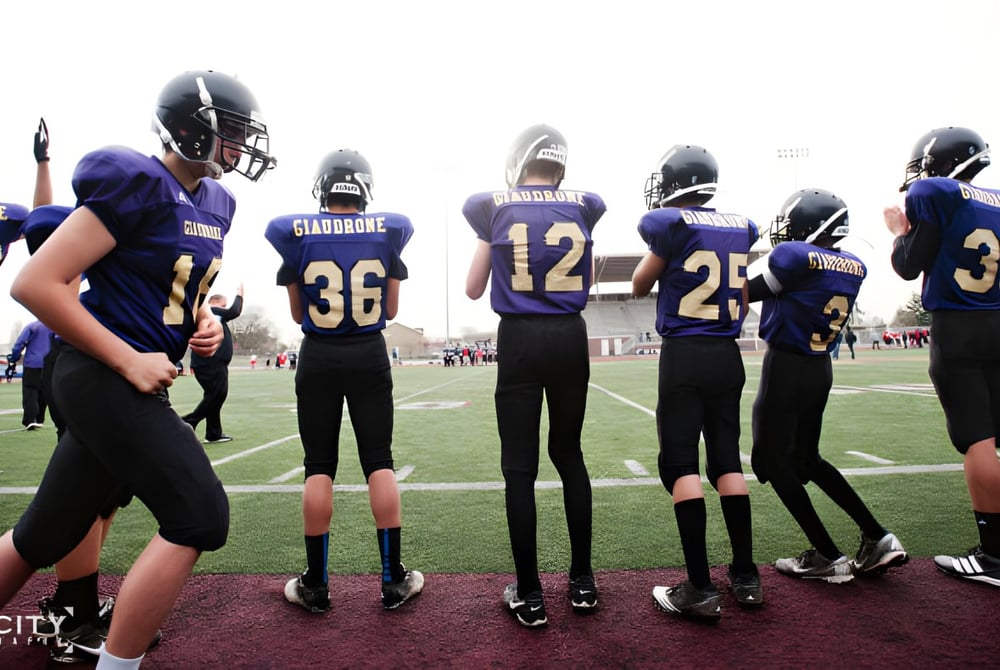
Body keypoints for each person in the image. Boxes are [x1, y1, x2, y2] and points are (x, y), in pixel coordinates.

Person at [0, 70, 275, 669]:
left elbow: (173, 284)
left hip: (126, 374)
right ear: (190, 128)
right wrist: (127, 357)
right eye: (231, 131)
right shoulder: (136, 181)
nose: (241, 146)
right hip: (99, 372)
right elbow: (35, 283)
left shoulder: (217, 202)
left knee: (42, 536)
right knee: (200, 513)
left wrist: (202, 320)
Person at [265, 148, 423, 614]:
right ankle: (393, 581)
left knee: (318, 466)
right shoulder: (388, 231)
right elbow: (391, 311)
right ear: (363, 191)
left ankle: (316, 584)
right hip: (369, 355)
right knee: (379, 462)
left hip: (318, 356)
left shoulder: (295, 234)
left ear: (324, 189)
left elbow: (298, 315)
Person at [465, 124, 604, 628]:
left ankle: (529, 593)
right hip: (570, 336)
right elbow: (585, 279)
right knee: (570, 454)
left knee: (519, 469)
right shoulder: (584, 204)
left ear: (518, 160)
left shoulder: (493, 204)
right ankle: (583, 582)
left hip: (520, 339)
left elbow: (473, 289)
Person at [751, 188, 908, 585]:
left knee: (770, 461)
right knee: (807, 460)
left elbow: (742, 291)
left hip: (786, 367)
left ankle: (825, 553)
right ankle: (877, 535)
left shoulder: (794, 257)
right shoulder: (852, 264)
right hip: (820, 368)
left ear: (807, 224)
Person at [631, 145, 761, 621]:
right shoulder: (741, 226)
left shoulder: (670, 225)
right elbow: (743, 299)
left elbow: (641, 284)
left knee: (682, 463)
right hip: (727, 355)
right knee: (727, 461)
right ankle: (746, 577)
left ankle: (700, 588)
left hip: (685, 355)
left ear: (672, 183)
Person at [885, 126, 1000, 587]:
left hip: (960, 327)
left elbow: (909, 264)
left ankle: (993, 556)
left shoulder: (934, 190)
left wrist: (898, 233)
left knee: (978, 439)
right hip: (997, 320)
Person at [182, 286, 244, 443]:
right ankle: (189, 421)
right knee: (217, 395)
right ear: (215, 303)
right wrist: (239, 295)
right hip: (211, 363)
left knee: (213, 397)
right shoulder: (212, 310)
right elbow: (234, 311)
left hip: (210, 363)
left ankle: (214, 433)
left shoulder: (214, 315)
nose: (224, 309)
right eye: (223, 305)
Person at [9, 320, 53, 429]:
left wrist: (14, 357)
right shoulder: (55, 325)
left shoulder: (33, 326)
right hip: (50, 363)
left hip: (32, 363)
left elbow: (20, 343)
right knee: (44, 391)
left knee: (30, 390)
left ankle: (29, 420)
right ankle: (39, 419)